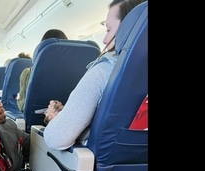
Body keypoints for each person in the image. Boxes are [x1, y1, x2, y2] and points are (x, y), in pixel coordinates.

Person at [43, 0, 146, 150]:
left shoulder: (105, 70)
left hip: (99, 168)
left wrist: (55, 120)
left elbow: (57, 139)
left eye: (109, 30)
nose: (105, 40)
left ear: (129, 28)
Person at [17, 29, 68, 112]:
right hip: (68, 118)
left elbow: (22, 106)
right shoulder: (77, 73)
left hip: (35, 121)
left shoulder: (28, 73)